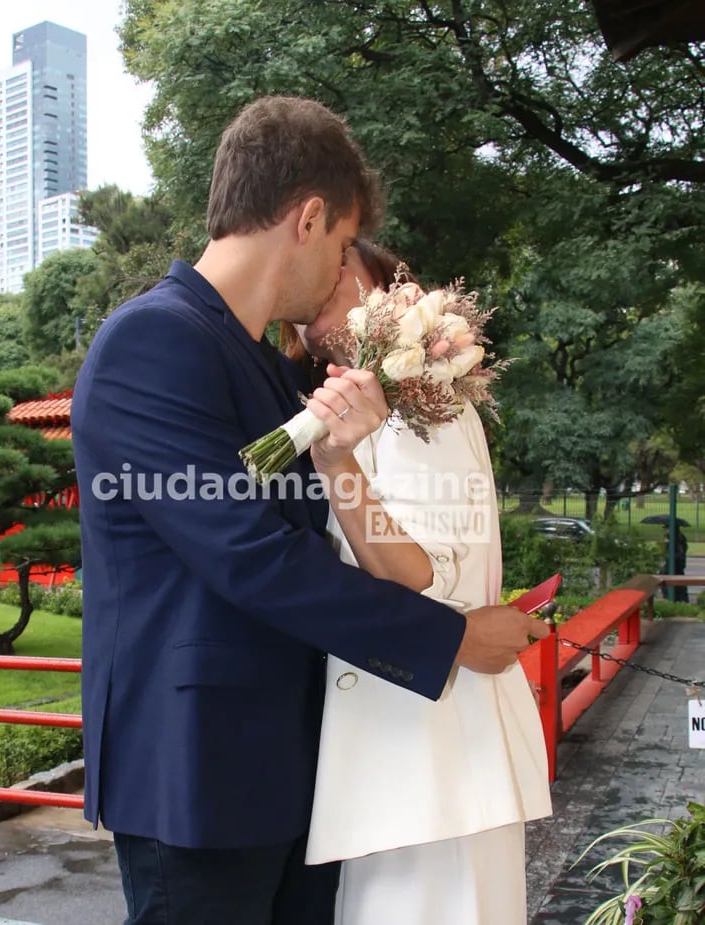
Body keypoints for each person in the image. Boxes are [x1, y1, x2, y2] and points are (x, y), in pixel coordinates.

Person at [71, 95, 548, 925]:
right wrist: (452, 636)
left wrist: (421, 352)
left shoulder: (263, 367)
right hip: (199, 770)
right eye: (336, 246)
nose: (341, 270)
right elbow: (249, 555)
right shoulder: (151, 340)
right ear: (309, 216)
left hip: (294, 772)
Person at [283, 239, 552, 924]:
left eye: (343, 272)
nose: (320, 297)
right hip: (407, 759)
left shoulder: (424, 400)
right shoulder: (374, 406)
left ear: (396, 296)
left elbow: (424, 575)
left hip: (433, 762)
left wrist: (335, 465)